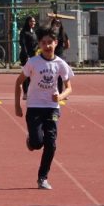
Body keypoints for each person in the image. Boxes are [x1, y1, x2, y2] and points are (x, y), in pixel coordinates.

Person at [15, 28, 74, 190]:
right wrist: (17, 106)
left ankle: (43, 177)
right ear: (39, 44)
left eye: (50, 42)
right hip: (34, 107)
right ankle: (32, 140)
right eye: (43, 43)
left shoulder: (61, 64)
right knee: (37, 142)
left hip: (52, 108)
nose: (47, 46)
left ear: (56, 43)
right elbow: (18, 82)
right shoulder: (33, 62)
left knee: (51, 143)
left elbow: (69, 88)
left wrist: (61, 97)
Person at [20, 15, 39, 98]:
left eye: (34, 21)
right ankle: (25, 93)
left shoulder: (33, 32)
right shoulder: (24, 32)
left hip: (33, 55)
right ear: (27, 22)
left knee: (33, 75)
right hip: (26, 56)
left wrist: (37, 50)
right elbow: (23, 44)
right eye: (31, 21)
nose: (33, 23)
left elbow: (36, 43)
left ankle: (32, 92)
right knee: (26, 74)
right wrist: (26, 55)